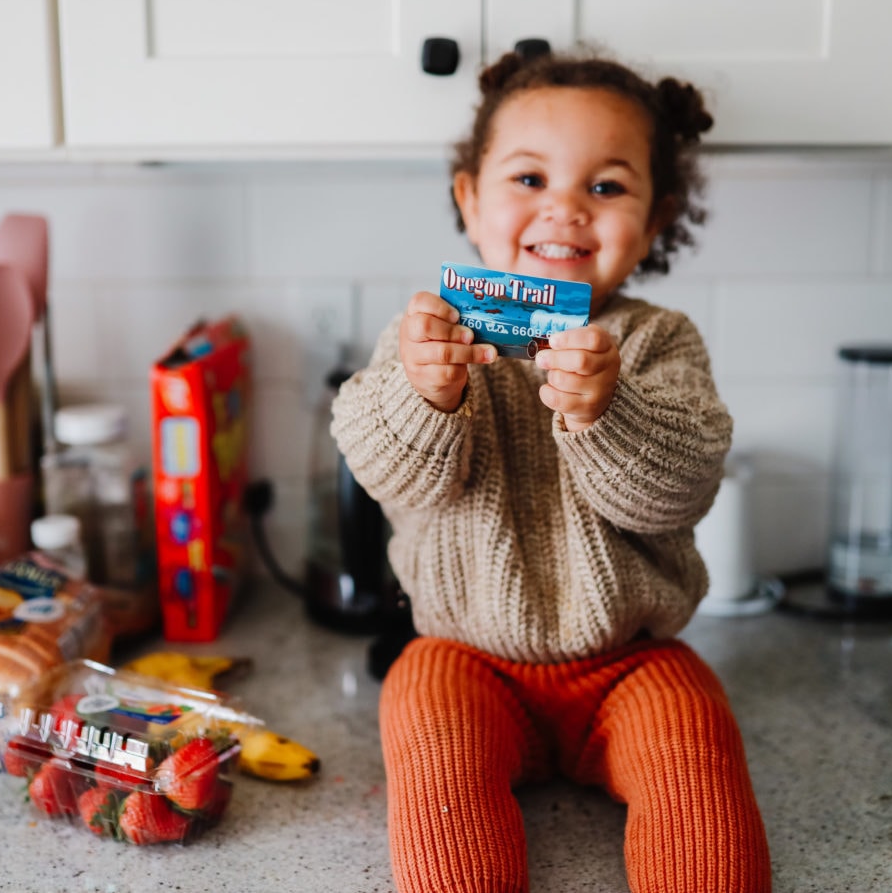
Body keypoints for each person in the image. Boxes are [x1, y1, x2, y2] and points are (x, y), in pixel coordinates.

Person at [330, 48, 771, 893]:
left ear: (655, 219)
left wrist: (610, 410)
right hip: (465, 656)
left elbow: (684, 486)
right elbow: (386, 473)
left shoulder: (658, 342)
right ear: (469, 199)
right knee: (420, 718)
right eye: (529, 178)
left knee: (699, 759)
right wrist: (426, 396)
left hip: (632, 659)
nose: (564, 208)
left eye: (606, 187)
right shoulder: (428, 335)